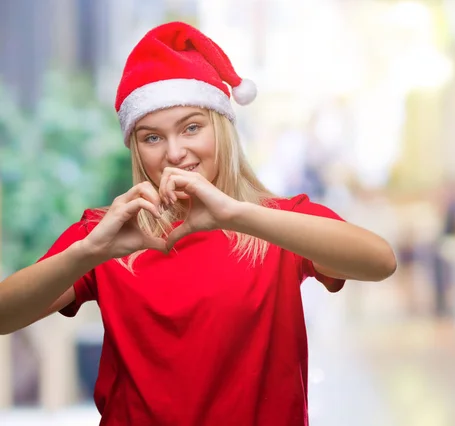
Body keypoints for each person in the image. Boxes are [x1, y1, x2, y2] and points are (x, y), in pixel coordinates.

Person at [0, 22, 396, 426]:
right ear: (135, 147)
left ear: (222, 129)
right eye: (151, 137)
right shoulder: (109, 235)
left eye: (192, 127)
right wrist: (87, 252)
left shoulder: (276, 222)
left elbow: (380, 262)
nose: (174, 152)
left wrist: (236, 214)